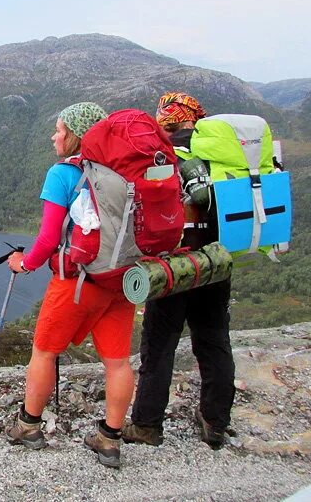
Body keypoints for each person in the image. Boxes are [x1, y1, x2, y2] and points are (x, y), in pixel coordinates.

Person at [4, 102, 136, 469]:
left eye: (59, 130)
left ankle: (28, 426)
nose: (53, 136)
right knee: (118, 362)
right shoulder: (125, 169)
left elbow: (48, 238)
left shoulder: (63, 173)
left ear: (75, 134)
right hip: (123, 278)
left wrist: (25, 263)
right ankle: (110, 439)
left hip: (78, 280)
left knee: (45, 351)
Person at [122, 92, 235, 449]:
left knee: (159, 344)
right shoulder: (219, 156)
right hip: (215, 260)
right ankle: (215, 422)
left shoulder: (164, 154)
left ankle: (146, 425)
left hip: (173, 262)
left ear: (168, 118)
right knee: (214, 340)